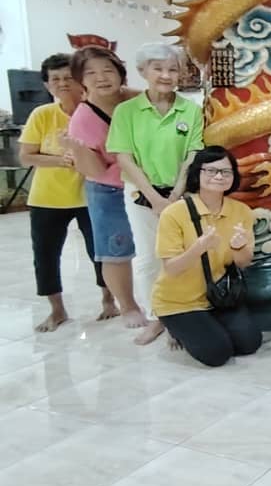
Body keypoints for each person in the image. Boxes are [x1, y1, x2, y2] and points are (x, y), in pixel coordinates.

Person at [107, 42, 204, 344]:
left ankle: (181, 316)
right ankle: (156, 316)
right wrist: (155, 198)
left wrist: (174, 195)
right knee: (148, 257)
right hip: (141, 194)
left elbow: (192, 154)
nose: (166, 75)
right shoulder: (127, 111)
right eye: (158, 69)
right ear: (142, 71)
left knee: (182, 256)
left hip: (180, 194)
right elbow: (124, 157)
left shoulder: (191, 109)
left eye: (172, 69)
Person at [19, 53, 117, 332]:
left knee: (101, 252)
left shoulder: (94, 111)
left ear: (79, 80)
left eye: (67, 78)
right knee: (46, 255)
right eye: (55, 79)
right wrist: (59, 159)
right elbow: (26, 157)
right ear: (47, 85)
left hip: (91, 195)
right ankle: (57, 310)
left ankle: (109, 301)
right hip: (47, 199)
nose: (62, 84)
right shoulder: (42, 115)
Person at [62, 46, 147, 333]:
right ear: (81, 80)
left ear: (121, 74)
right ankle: (128, 306)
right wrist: (75, 149)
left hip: (148, 185)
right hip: (109, 191)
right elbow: (95, 171)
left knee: (160, 244)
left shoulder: (137, 99)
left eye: (108, 70)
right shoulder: (83, 118)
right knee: (116, 248)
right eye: (91, 73)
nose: (101, 78)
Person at [152, 147, 261, 367]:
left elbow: (243, 262)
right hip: (179, 302)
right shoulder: (174, 213)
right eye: (211, 171)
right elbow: (171, 268)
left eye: (226, 172)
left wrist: (239, 248)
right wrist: (198, 248)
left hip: (219, 296)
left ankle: (207, 326)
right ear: (197, 174)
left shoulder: (241, 211)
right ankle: (173, 327)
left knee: (249, 343)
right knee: (217, 354)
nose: (219, 176)